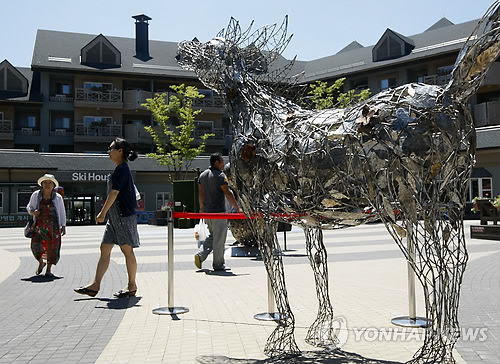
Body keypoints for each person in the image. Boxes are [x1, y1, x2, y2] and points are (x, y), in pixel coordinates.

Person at [74, 138, 140, 298]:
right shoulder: (120, 169)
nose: (108, 151)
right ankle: (95, 285)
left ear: (120, 151)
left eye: (111, 148)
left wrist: (102, 213)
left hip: (123, 216)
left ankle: (132, 286)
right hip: (115, 217)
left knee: (127, 250)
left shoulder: (122, 169)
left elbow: (114, 193)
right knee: (105, 247)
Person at [195, 153, 241, 271]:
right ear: (216, 162)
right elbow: (227, 193)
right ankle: (218, 264)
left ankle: (201, 255)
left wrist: (201, 208)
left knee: (212, 236)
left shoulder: (203, 175)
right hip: (219, 212)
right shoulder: (220, 176)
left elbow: (200, 193)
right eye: (222, 162)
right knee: (219, 238)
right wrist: (237, 207)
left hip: (207, 212)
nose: (223, 164)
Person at [27, 174, 66, 277]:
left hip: (54, 227)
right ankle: (41, 262)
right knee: (35, 246)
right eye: (45, 183)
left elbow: (62, 211)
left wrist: (63, 225)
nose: (47, 185)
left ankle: (48, 269)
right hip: (38, 227)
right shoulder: (36, 195)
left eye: (50, 183)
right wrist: (33, 212)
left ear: (53, 185)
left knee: (52, 248)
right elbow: (29, 207)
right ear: (42, 184)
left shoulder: (57, 197)